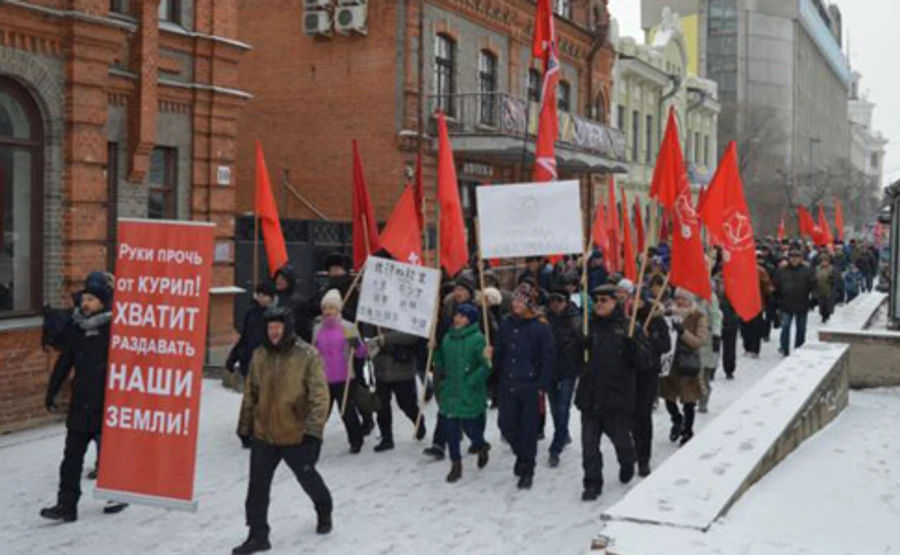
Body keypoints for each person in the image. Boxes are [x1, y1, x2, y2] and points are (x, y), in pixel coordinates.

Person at [234, 307, 333, 555]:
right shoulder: (259, 355)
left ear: (287, 328)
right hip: (264, 435)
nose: (274, 332)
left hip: (295, 434)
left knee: (307, 477)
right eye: (270, 328)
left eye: (278, 327)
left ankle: (323, 507)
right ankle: (257, 534)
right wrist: (245, 426)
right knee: (257, 487)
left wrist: (313, 431)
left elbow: (320, 397)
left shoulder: (308, 355)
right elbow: (251, 393)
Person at [40, 273, 126, 522]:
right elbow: (64, 362)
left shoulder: (115, 330)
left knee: (109, 456)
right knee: (71, 460)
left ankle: (116, 495)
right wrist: (52, 391)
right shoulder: (76, 329)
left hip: (106, 405)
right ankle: (66, 506)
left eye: (91, 299)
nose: (85, 303)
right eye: (84, 299)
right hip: (81, 405)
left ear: (103, 302)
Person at [576, 284, 647, 501]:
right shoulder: (587, 327)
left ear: (615, 302)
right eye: (596, 300)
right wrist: (580, 346)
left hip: (616, 397)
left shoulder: (629, 327)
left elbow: (645, 362)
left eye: (604, 300)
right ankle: (592, 482)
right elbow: (574, 360)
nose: (599, 304)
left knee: (622, 442)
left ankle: (628, 461)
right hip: (590, 396)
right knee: (589, 445)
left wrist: (633, 347)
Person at [490, 282, 555, 490]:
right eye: (515, 299)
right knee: (506, 425)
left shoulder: (541, 326)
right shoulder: (506, 323)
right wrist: (491, 357)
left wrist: (541, 384)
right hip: (507, 383)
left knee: (528, 431)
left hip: (529, 385)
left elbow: (548, 358)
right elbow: (500, 350)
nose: (516, 304)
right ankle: (522, 455)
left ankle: (527, 469)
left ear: (529, 303)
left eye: (520, 300)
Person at [433, 303, 492, 483]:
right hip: (450, 390)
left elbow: (485, 367)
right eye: (457, 314)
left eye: (463, 316)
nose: (458, 318)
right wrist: (434, 350)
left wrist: (471, 381)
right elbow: (440, 363)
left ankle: (481, 446)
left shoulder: (478, 338)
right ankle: (456, 464)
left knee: (471, 429)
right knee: (451, 430)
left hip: (469, 392)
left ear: (470, 320)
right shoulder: (447, 338)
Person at [312, 289, 367, 454]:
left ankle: (356, 440)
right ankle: (312, 443)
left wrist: (356, 344)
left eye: (332, 308)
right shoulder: (317, 328)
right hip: (324, 378)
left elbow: (361, 353)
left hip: (345, 376)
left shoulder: (348, 328)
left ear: (338, 309)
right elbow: (313, 351)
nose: (328, 311)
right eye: (325, 308)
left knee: (347, 411)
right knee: (321, 413)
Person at [659, 288, 708, 446]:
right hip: (670, 361)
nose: (680, 301)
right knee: (668, 397)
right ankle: (677, 420)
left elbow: (698, 341)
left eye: (684, 299)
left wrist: (682, 332)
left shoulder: (699, 316)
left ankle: (688, 430)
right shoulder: (668, 314)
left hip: (688, 362)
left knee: (689, 400)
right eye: (678, 298)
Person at [632, 289, 672, 476]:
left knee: (643, 415)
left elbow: (666, 345)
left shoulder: (655, 319)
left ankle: (643, 458)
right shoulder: (626, 319)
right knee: (629, 415)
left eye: (635, 298)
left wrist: (649, 339)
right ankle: (633, 447)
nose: (632, 302)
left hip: (648, 372)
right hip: (628, 373)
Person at [369, 329, 427, 451]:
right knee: (381, 405)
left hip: (403, 368)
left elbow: (412, 336)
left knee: (406, 404)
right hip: (381, 369)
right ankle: (386, 438)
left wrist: (386, 338)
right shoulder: (374, 316)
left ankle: (418, 420)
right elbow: (368, 336)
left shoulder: (405, 314)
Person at [546, 288, 585, 468]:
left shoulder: (575, 318)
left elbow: (583, 341)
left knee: (563, 407)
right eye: (552, 300)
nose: (555, 304)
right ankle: (563, 433)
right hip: (550, 369)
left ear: (566, 301)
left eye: (559, 300)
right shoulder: (545, 318)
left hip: (568, 369)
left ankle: (556, 446)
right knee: (554, 407)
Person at [226, 281, 277, 391]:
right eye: (259, 295)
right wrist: (233, 357)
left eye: (265, 295)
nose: (262, 298)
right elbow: (244, 337)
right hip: (249, 361)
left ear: (271, 297)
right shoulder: (251, 313)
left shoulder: (277, 314)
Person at [774, 248, 815, 356]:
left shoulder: (807, 271)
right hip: (785, 304)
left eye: (797, 257)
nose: (794, 260)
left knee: (801, 328)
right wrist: (777, 301)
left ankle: (799, 347)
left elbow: (814, 286)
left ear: (801, 259)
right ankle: (784, 347)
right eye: (792, 257)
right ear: (789, 258)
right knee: (785, 327)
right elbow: (776, 287)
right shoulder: (782, 271)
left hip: (802, 303)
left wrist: (813, 300)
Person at [697, 273, 722, 414]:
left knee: (702, 371)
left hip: (706, 339)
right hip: (692, 337)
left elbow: (715, 316)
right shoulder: (689, 296)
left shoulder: (710, 298)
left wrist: (716, 335)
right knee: (694, 371)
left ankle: (703, 398)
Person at [816, 255, 837, 324]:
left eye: (826, 261)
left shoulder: (832, 268)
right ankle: (823, 315)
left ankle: (826, 316)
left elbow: (836, 278)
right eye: (822, 261)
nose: (824, 263)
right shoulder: (817, 268)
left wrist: (831, 280)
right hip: (819, 289)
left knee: (828, 304)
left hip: (829, 289)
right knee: (821, 304)